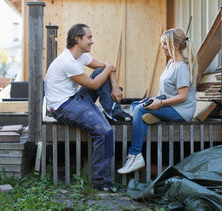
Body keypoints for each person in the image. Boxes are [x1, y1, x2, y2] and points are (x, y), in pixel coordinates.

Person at [45, 23, 131, 191]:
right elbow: (93, 84)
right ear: (78, 39)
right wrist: (109, 70)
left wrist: (114, 85)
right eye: (89, 37)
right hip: (63, 107)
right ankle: (102, 183)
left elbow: (106, 68)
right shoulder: (67, 61)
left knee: (101, 71)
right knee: (104, 132)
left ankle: (113, 111)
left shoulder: (81, 56)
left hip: (75, 99)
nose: (92, 41)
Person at [117, 28, 198, 174]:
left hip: (181, 111)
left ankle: (135, 155)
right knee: (136, 104)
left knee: (140, 110)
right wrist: (155, 99)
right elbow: (166, 93)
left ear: (176, 46)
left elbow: (183, 96)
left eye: (165, 44)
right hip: (169, 104)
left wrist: (159, 103)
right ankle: (151, 117)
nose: (162, 47)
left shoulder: (181, 68)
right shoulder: (170, 64)